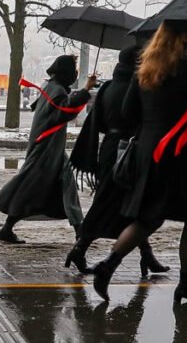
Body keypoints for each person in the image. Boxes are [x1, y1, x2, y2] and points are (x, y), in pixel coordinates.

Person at [91, 20, 187, 304]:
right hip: (180, 150)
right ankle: (186, 285)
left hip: (149, 149)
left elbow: (127, 113)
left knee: (148, 217)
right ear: (182, 39)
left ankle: (108, 265)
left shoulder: (144, 70)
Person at [67, 46, 168, 277]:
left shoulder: (108, 87)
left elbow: (99, 122)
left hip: (109, 149)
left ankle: (147, 256)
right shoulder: (139, 86)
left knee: (127, 205)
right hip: (130, 151)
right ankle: (80, 249)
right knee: (121, 204)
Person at [0, 55, 96, 244]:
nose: (75, 75)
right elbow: (65, 110)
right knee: (29, 186)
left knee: (65, 184)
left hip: (51, 147)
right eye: (73, 71)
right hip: (46, 149)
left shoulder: (53, 87)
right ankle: (8, 227)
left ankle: (80, 230)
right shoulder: (56, 90)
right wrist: (87, 89)